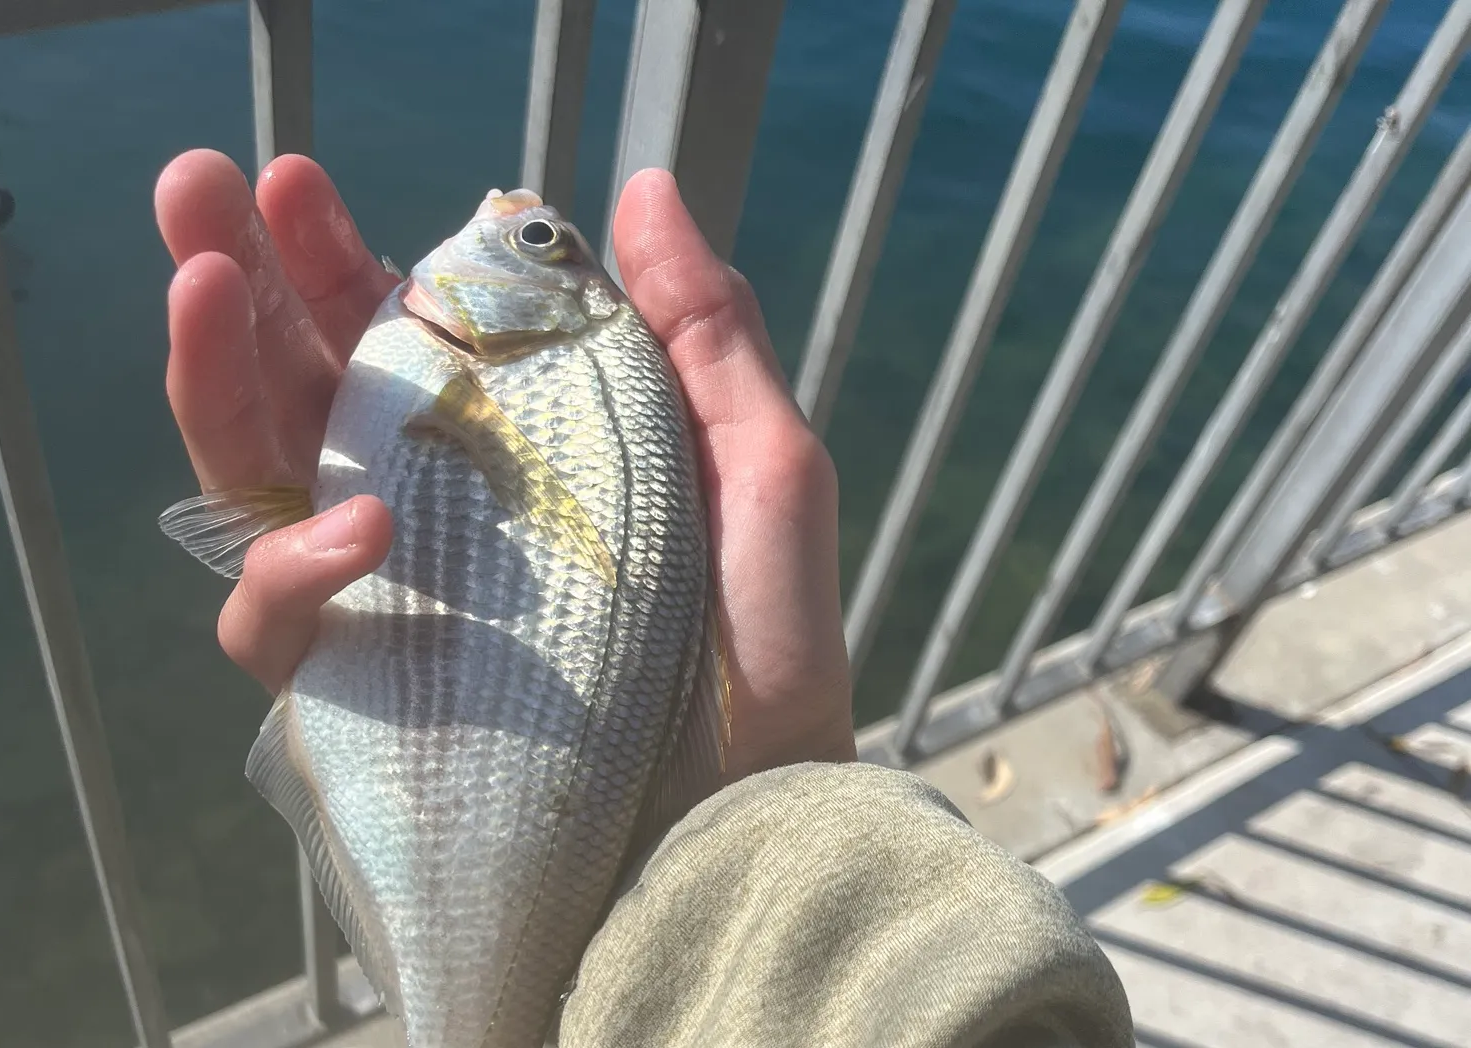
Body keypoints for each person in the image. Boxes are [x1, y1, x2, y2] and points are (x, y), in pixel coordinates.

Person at [154, 149, 1135, 1048]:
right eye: (541, 237)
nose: (513, 214)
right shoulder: (506, 361)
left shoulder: (508, 354)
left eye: (538, 240)